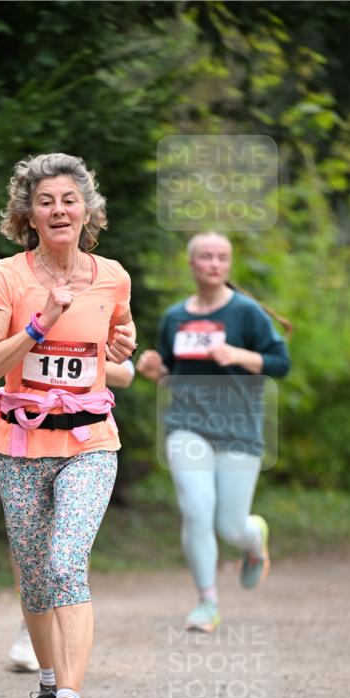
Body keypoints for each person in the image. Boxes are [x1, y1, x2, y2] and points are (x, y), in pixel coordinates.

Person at [0, 152, 137, 698]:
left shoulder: (112, 275)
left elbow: (116, 352)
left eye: (70, 199)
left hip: (91, 441)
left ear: (86, 209)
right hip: (19, 445)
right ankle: (47, 690)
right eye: (46, 201)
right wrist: (38, 326)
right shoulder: (8, 277)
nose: (59, 209)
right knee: (37, 579)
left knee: (67, 559)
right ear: (29, 215)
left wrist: (124, 347)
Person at [137, 232, 291, 632]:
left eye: (222, 257)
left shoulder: (247, 313)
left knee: (229, 526)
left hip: (239, 430)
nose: (214, 264)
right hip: (187, 426)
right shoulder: (175, 317)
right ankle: (207, 602)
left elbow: (280, 363)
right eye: (206, 257)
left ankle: (254, 539)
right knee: (195, 508)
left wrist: (238, 354)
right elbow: (173, 374)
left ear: (229, 264)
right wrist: (157, 372)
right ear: (192, 264)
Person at [0, 359, 136, 673]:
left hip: (81, 437)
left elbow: (126, 373)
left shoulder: (94, 310)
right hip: (25, 431)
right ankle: (33, 621)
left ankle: (67, 628)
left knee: (68, 543)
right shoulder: (24, 310)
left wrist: (82, 367)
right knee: (27, 543)